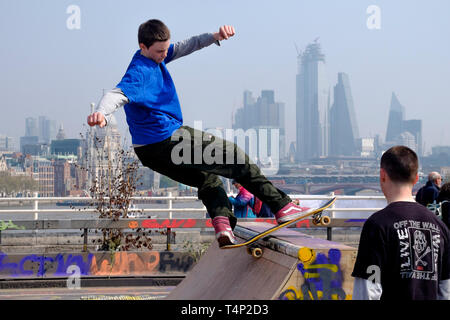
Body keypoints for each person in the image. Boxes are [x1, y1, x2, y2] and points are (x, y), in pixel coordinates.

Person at [86, 19, 311, 248]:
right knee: (233, 156)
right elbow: (117, 94)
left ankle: (223, 225)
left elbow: (188, 44)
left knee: (208, 178)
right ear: (143, 47)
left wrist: (215, 36)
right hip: (166, 140)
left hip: (148, 152)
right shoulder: (139, 71)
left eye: (166, 49)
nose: (164, 55)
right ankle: (282, 206)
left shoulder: (155, 56)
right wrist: (101, 113)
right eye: (159, 51)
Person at [352, 146, 450, 300]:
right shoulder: (439, 226)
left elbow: (368, 290)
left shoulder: (377, 225)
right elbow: (445, 289)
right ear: (416, 178)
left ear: (382, 175)